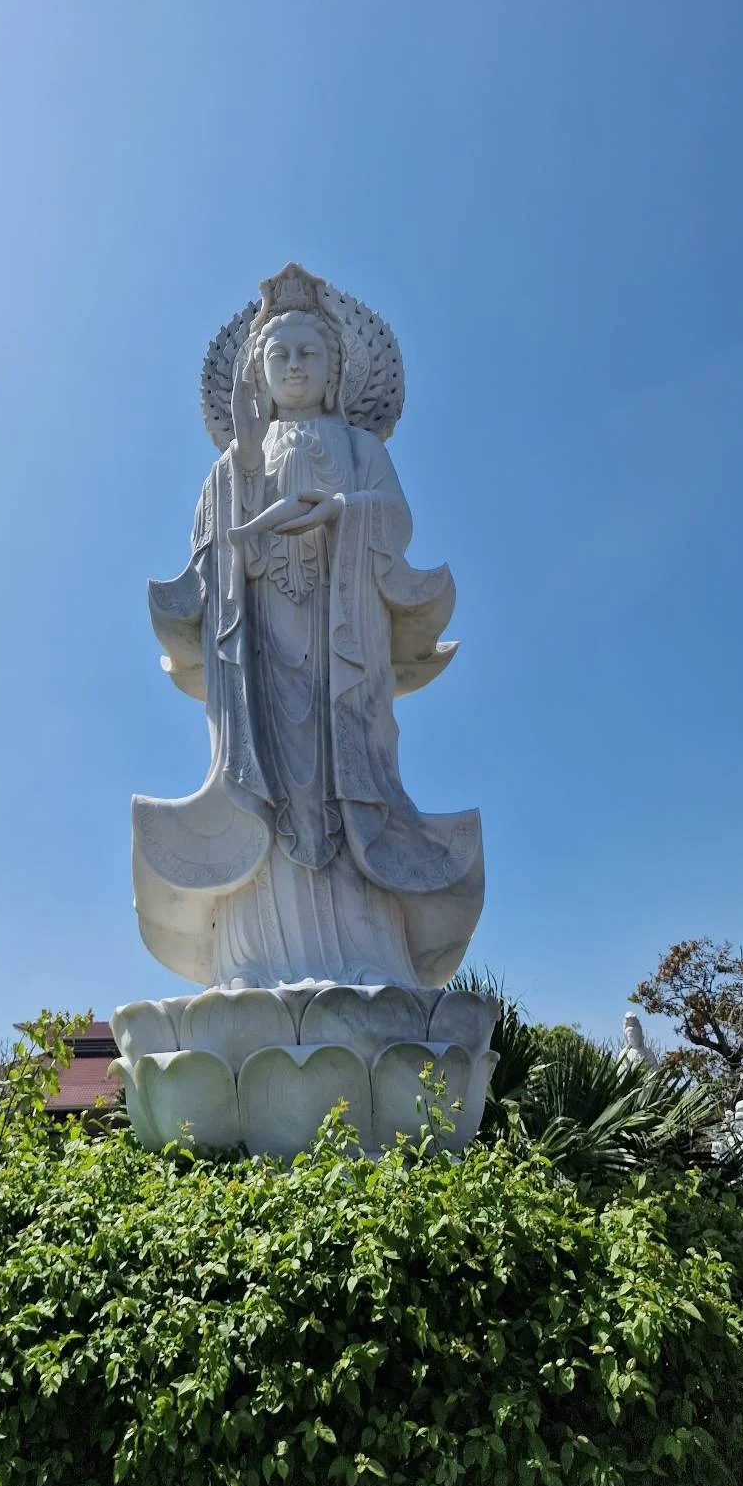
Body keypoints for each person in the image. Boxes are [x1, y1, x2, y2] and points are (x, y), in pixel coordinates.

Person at [133, 264, 483, 991]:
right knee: (264, 777)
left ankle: (366, 952)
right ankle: (255, 955)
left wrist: (344, 513)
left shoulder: (361, 450)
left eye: (308, 353)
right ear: (257, 376)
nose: (293, 366)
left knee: (343, 776)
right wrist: (245, 468)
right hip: (260, 642)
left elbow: (393, 523)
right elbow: (214, 551)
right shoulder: (234, 461)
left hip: (342, 636)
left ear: (334, 372)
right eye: (279, 355)